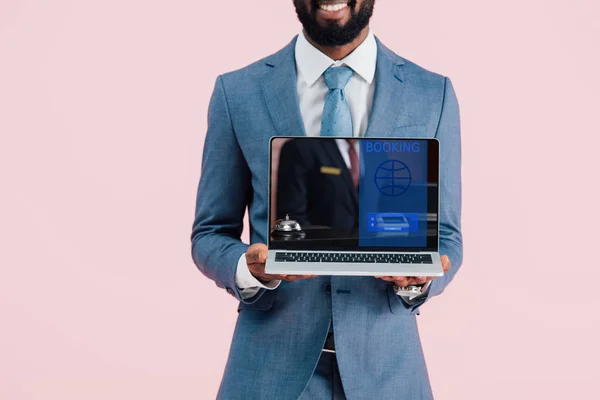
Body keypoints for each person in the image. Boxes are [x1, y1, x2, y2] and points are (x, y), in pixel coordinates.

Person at [191, 0, 463, 398]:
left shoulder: (431, 93)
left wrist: (419, 281)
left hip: (389, 374)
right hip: (268, 371)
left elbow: (448, 237)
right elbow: (210, 232)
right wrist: (248, 268)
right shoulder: (238, 93)